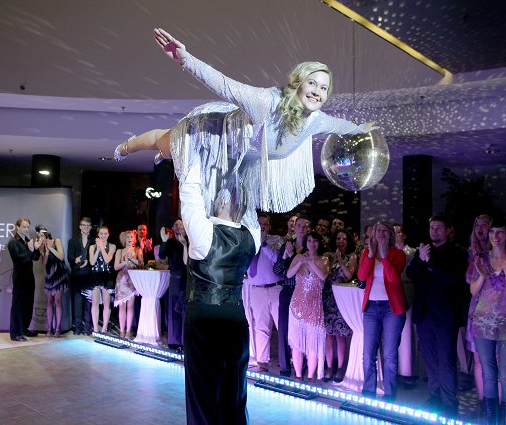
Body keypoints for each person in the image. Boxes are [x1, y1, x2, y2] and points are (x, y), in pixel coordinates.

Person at [114, 28, 376, 217]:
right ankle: (127, 146)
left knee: (230, 211)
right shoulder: (266, 101)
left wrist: (360, 130)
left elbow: (340, 125)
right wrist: (186, 59)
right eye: (312, 83)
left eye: (324, 88)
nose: (317, 91)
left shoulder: (315, 121)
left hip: (236, 161)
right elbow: (224, 85)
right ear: (298, 83)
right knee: (163, 142)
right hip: (210, 137)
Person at [180, 161, 260, 424]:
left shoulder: (204, 234)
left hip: (204, 319)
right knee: (234, 390)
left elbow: (190, 193)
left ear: (217, 200)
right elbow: (250, 212)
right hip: (235, 318)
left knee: (202, 392)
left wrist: (194, 156)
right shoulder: (252, 237)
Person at [467, 219, 506, 424]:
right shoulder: (481, 258)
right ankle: (491, 418)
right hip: (483, 322)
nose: (495, 236)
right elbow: (473, 290)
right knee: (488, 373)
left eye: (500, 232)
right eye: (492, 231)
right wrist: (483, 276)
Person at [406, 214, 468, 417]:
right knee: (430, 358)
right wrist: (423, 261)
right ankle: (435, 396)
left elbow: (453, 280)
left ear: (448, 230)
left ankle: (450, 402)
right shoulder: (424, 249)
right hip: (424, 313)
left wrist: (430, 263)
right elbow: (412, 273)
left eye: (439, 228)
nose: (434, 231)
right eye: (432, 228)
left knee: (446, 359)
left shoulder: (457, 253)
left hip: (445, 313)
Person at [358, 221, 407, 400]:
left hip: (391, 309)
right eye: (378, 231)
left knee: (390, 355)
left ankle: (389, 395)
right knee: (368, 354)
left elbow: (394, 280)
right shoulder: (367, 252)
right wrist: (371, 255)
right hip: (371, 308)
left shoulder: (398, 254)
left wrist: (385, 257)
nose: (381, 234)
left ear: (390, 235)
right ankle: (368, 392)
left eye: (385, 231)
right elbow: (361, 277)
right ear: (373, 234)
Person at [287, 231, 329, 382]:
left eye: (315, 241)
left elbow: (323, 276)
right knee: (296, 345)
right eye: (309, 240)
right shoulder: (299, 257)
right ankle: (298, 376)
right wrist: (300, 262)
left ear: (319, 243)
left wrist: (310, 262)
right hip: (296, 305)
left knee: (313, 344)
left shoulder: (324, 259)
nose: (312, 243)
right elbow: (288, 275)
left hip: (314, 306)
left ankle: (310, 377)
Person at [245, 214, 283, 372]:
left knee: (282, 326)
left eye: (265, 224)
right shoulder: (248, 240)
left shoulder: (276, 240)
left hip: (276, 288)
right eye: (259, 223)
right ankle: (262, 362)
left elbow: (277, 260)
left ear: (270, 227)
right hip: (256, 289)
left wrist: (264, 244)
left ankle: (287, 362)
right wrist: (256, 242)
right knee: (260, 327)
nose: (262, 226)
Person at [274, 214, 311, 377]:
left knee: (303, 331)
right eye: (299, 226)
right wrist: (285, 257)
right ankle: (284, 367)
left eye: (305, 226)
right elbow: (277, 272)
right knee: (283, 329)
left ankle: (302, 367)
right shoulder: (287, 245)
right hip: (288, 291)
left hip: (305, 293)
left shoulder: (312, 246)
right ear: (294, 227)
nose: (302, 229)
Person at [465, 214, 492, 415]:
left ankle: (496, 402)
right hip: (477, 305)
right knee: (478, 357)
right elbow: (470, 281)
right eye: (477, 225)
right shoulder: (472, 254)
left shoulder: (505, 253)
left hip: (500, 308)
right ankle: (482, 401)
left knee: (497, 359)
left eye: (485, 225)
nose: (481, 228)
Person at [323, 229, 356, 383]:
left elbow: (349, 275)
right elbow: (325, 274)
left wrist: (341, 260)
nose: (341, 241)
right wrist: (332, 260)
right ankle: (330, 367)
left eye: (344, 238)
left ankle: (341, 368)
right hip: (328, 297)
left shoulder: (352, 256)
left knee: (340, 336)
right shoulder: (328, 256)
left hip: (342, 299)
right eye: (338, 238)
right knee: (328, 336)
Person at [7, 217, 41, 341]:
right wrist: (31, 251)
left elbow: (35, 258)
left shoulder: (27, 240)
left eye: (28, 227)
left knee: (28, 303)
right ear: (17, 227)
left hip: (29, 276)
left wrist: (36, 249)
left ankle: (24, 329)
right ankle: (15, 333)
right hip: (19, 276)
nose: (26, 229)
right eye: (24, 227)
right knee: (18, 305)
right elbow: (20, 259)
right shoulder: (13, 242)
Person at [158, 218, 188, 351]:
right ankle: (174, 341)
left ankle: (185, 342)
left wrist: (185, 244)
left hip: (188, 280)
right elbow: (161, 256)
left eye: (181, 224)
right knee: (173, 310)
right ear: (173, 228)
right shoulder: (169, 242)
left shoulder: (189, 241)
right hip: (175, 279)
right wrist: (164, 242)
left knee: (185, 311)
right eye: (176, 225)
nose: (179, 227)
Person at [394, 223, 418, 388]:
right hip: (392, 292)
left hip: (408, 290)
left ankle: (409, 372)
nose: (396, 235)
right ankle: (394, 371)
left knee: (408, 332)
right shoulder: (388, 252)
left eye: (399, 232)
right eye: (393, 232)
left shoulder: (412, 252)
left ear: (404, 235)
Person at [37, 225, 69, 338]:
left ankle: (58, 329)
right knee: (49, 302)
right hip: (49, 276)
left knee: (57, 302)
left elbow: (61, 257)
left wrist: (50, 248)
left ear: (46, 234)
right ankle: (49, 329)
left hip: (59, 276)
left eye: (42, 235)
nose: (41, 238)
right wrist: (45, 251)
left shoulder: (56, 241)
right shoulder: (41, 247)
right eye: (39, 236)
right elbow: (44, 263)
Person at [113, 230, 142, 339]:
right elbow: (115, 267)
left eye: (132, 237)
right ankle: (121, 331)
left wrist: (132, 259)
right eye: (128, 237)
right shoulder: (119, 251)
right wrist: (125, 262)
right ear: (124, 239)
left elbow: (141, 264)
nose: (130, 239)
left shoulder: (137, 250)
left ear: (134, 239)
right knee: (122, 307)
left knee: (130, 307)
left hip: (132, 280)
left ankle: (128, 331)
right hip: (122, 280)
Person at [67, 217, 94, 335]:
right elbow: (69, 257)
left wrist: (88, 261)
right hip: (77, 274)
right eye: (84, 225)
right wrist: (75, 259)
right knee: (77, 302)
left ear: (91, 227)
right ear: (79, 226)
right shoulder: (72, 240)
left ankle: (87, 327)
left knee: (88, 302)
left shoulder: (94, 240)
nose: (86, 227)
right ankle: (77, 327)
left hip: (89, 275)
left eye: (88, 225)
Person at [88, 226, 116, 333]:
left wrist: (102, 248)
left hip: (107, 276)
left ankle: (104, 329)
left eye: (105, 234)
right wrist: (98, 249)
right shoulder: (92, 247)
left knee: (106, 303)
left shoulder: (112, 246)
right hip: (95, 275)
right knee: (95, 303)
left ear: (108, 235)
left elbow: (107, 260)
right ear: (98, 235)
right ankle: (95, 328)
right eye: (101, 234)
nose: (103, 236)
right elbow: (92, 262)